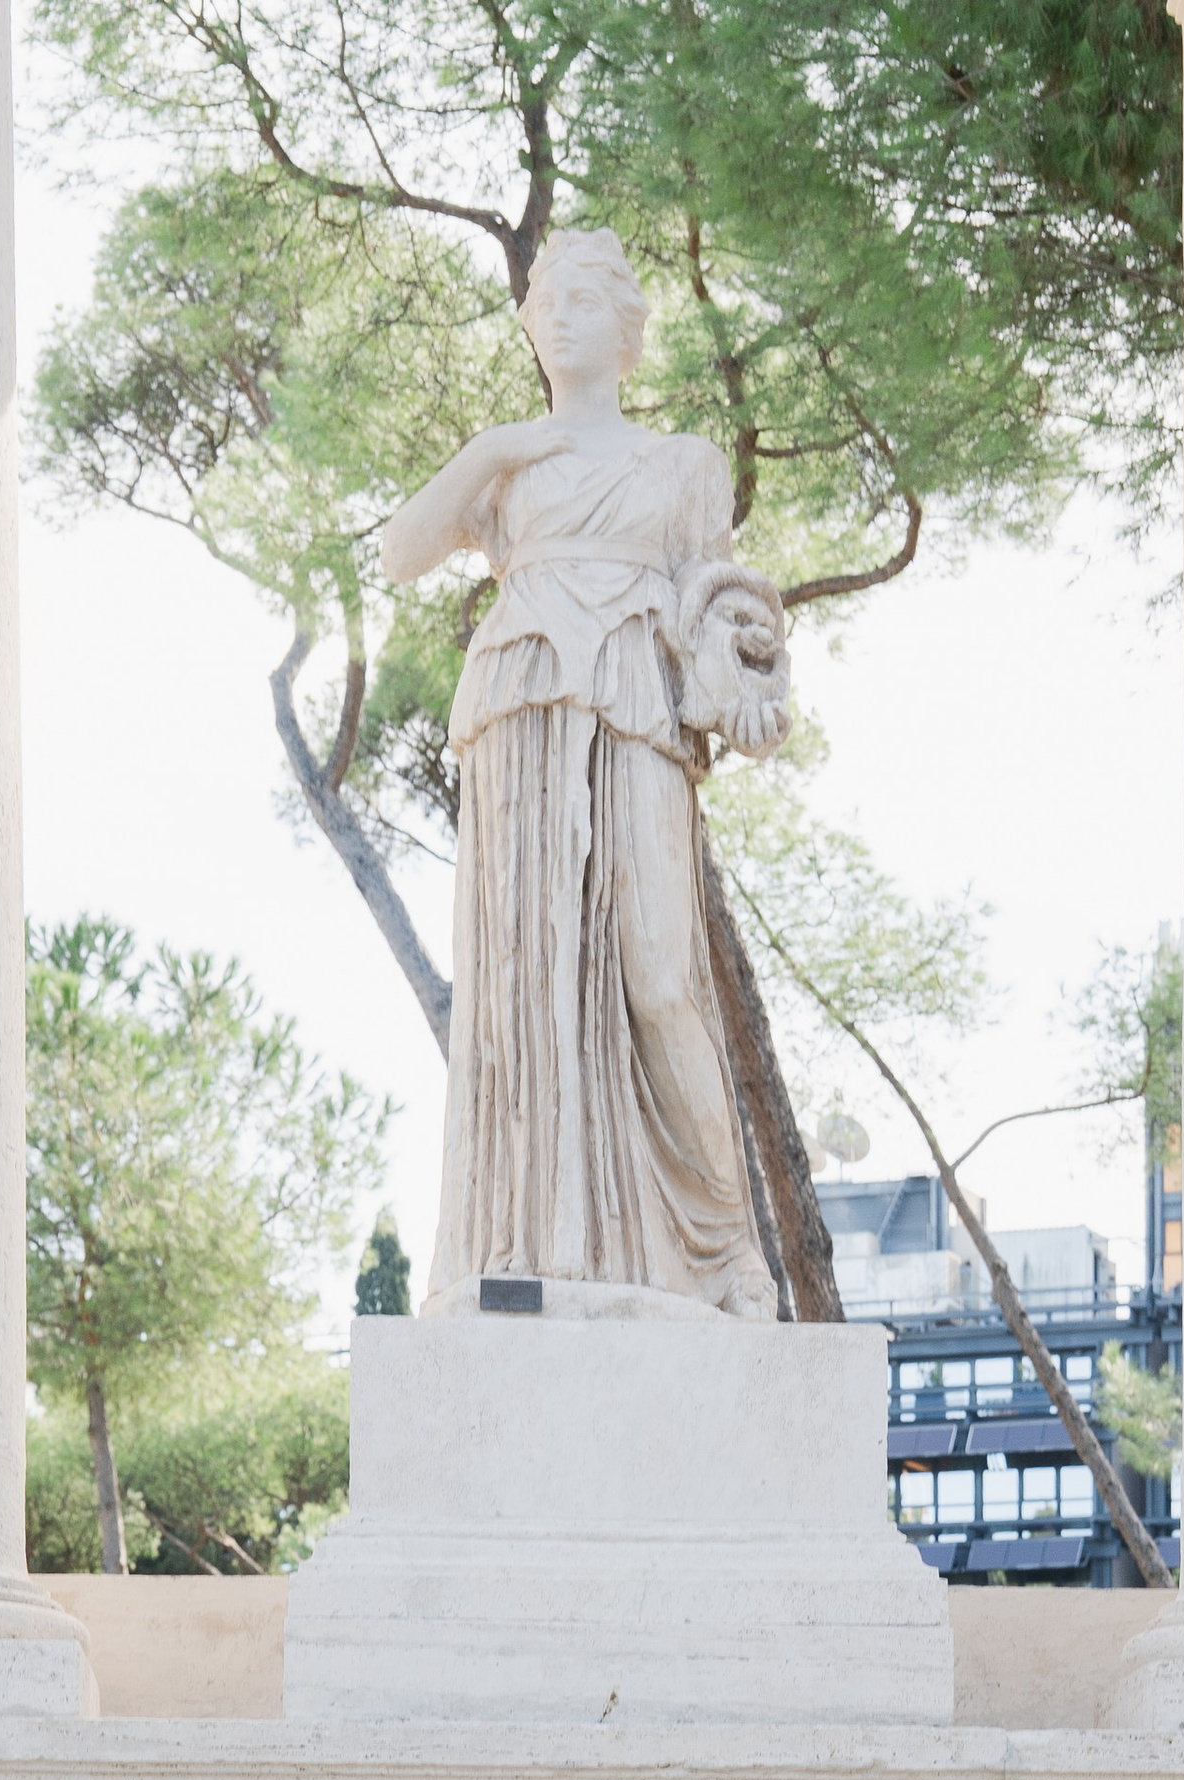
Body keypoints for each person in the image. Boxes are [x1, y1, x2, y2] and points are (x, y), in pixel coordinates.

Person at [379, 225, 791, 1318]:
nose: (558, 316)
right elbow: (399, 550)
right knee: (529, 987)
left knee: (659, 971)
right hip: (520, 708)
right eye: (545, 301)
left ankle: (727, 1251)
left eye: (583, 300)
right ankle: (534, 1242)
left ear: (627, 328)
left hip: (636, 705)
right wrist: (500, 446)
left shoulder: (685, 466)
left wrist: (744, 670)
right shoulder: (509, 466)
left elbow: (723, 597)